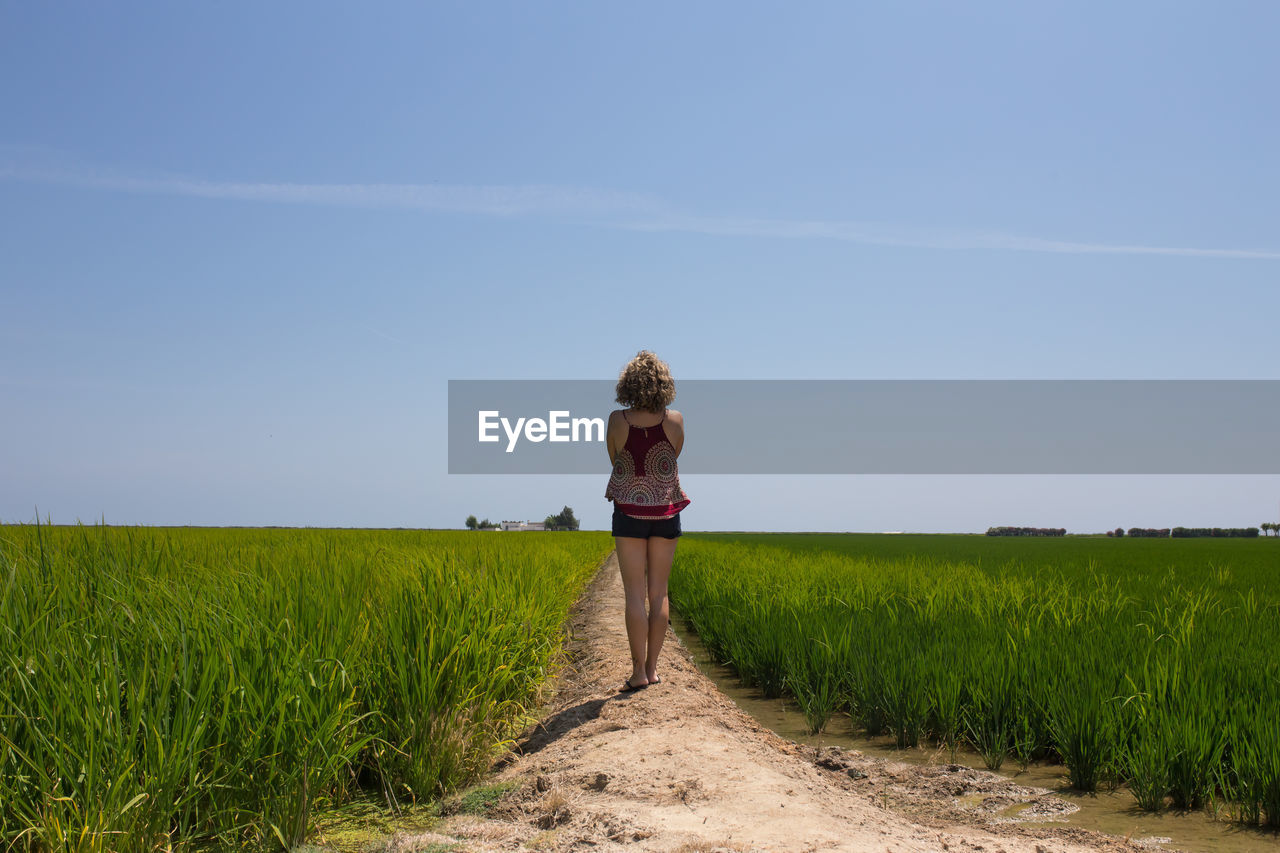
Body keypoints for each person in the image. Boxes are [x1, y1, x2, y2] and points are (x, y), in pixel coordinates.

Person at [604, 350, 691, 693]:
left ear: (628, 384)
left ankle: (638, 671)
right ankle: (653, 669)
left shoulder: (617, 420)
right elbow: (673, 457)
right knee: (659, 593)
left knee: (634, 595)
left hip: (628, 513)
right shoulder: (676, 421)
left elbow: (614, 458)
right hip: (666, 513)